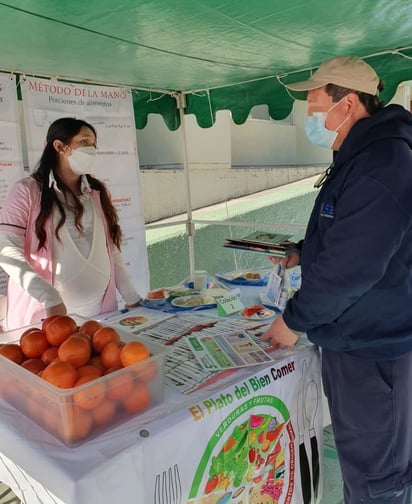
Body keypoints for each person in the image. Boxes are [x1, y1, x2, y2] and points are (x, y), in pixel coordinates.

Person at [261, 56, 412, 503]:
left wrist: (293, 320)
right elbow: (351, 231)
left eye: (313, 102)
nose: (308, 114)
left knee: (377, 477)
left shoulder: (382, 161)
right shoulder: (362, 154)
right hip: (362, 340)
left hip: (372, 350)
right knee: (374, 466)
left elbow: (353, 267)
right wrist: (304, 253)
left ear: (347, 104)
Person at [0, 117, 141, 330]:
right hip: (47, 319)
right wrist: (49, 297)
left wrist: (131, 297)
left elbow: (110, 248)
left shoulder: (97, 191)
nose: (92, 149)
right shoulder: (27, 191)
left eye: (94, 144)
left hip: (98, 316)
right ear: (59, 146)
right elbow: (7, 251)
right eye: (84, 142)